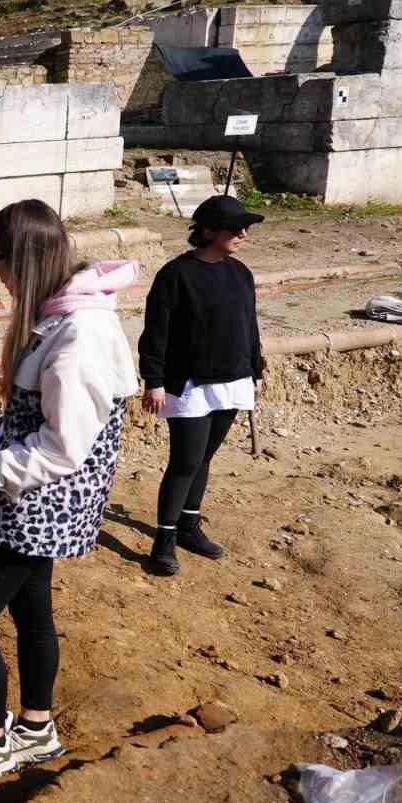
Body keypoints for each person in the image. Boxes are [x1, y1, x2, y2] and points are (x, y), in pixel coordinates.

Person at [0, 199, 138, 786]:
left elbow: (61, 446)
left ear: (18, 260)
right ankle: (37, 726)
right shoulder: (61, 314)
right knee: (32, 610)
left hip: (39, 502)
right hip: (34, 496)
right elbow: (31, 420)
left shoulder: (78, 339)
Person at [139, 195, 266, 575]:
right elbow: (156, 331)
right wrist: (154, 380)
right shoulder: (175, 275)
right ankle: (163, 540)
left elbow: (250, 327)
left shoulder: (240, 272)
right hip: (190, 384)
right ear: (208, 231)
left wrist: (255, 371)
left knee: (205, 459)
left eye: (246, 227)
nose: (243, 233)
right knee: (185, 461)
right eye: (235, 227)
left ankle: (188, 527)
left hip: (233, 379)